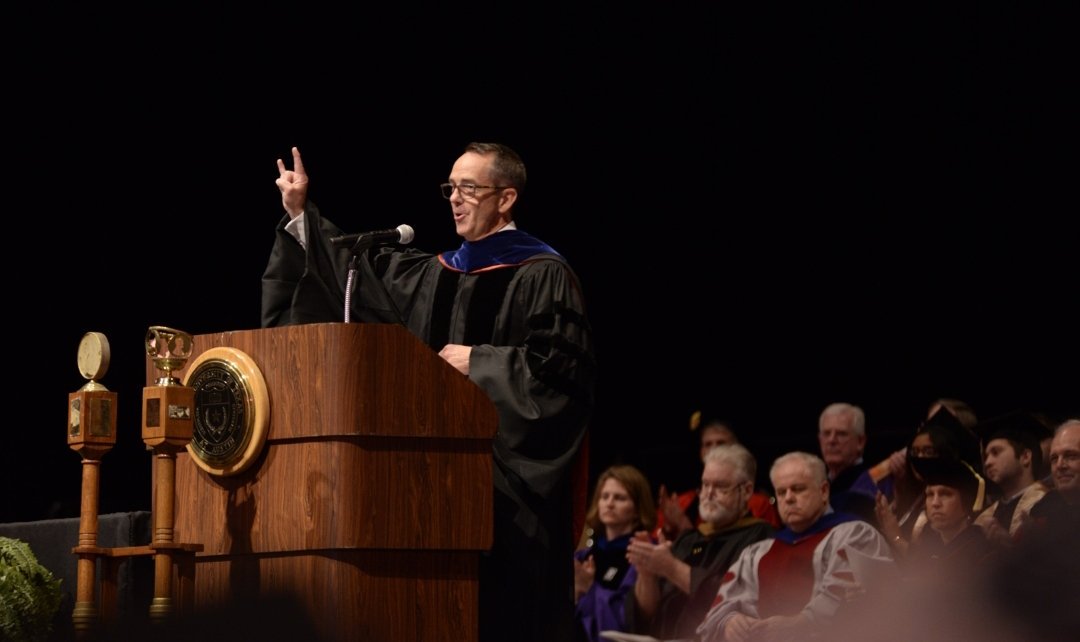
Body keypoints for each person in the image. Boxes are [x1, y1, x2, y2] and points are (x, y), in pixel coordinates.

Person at [263, 143, 597, 642]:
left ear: (506, 198)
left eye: (469, 188)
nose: (455, 199)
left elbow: (561, 378)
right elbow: (355, 279)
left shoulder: (544, 273)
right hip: (430, 489)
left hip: (510, 502)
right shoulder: (433, 273)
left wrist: (479, 362)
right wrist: (300, 214)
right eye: (451, 188)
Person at [696, 451, 895, 642]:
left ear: (824, 491)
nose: (788, 498)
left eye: (798, 489)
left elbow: (856, 601)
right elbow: (719, 609)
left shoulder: (855, 535)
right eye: (781, 492)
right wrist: (729, 623)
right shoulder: (757, 552)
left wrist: (799, 624)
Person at [625, 444, 774, 640]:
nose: (708, 493)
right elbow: (647, 614)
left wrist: (671, 567)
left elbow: (734, 599)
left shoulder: (761, 537)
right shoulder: (688, 539)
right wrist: (647, 573)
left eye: (720, 486)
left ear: (746, 491)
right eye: (705, 484)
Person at [653, 411, 780, 541]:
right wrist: (667, 531)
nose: (713, 449)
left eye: (721, 443)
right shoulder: (681, 502)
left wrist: (682, 525)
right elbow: (656, 540)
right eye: (708, 444)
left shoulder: (758, 504)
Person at [572, 465, 656, 642]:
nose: (609, 504)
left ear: (637, 508)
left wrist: (589, 589)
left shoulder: (644, 553)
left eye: (619, 498)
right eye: (604, 497)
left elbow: (626, 621)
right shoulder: (584, 557)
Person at [972, 410, 1052, 544]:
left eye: (995, 452)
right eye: (986, 456)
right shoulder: (984, 517)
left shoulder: (1049, 505)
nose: (987, 463)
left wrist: (1010, 546)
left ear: (1025, 457)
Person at [817, 402, 876, 524]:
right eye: (826, 433)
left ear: (860, 442)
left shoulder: (873, 482)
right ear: (820, 439)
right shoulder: (816, 484)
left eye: (841, 434)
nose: (832, 440)